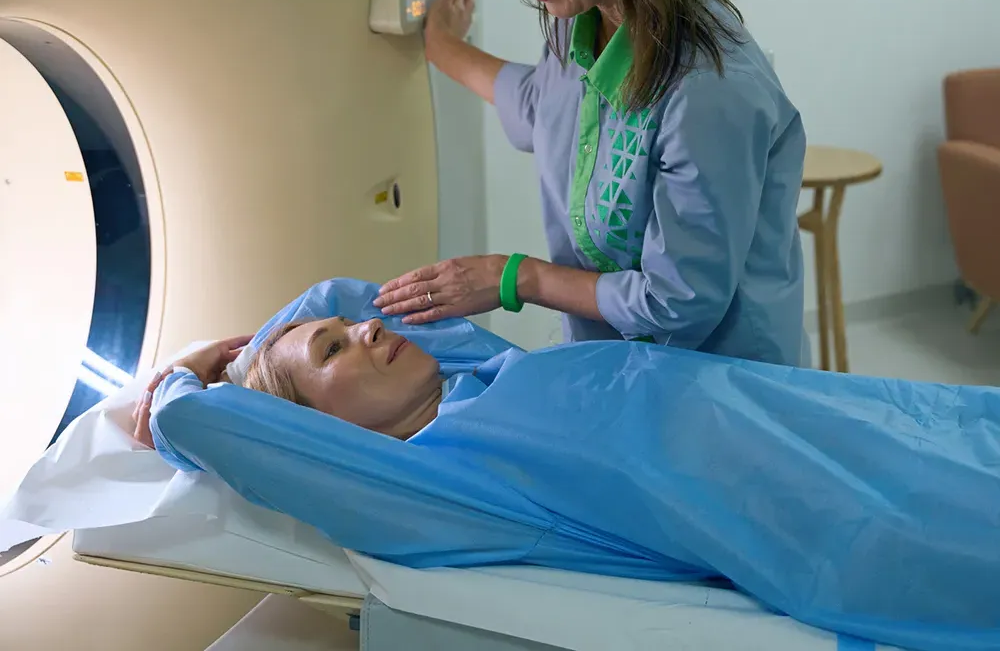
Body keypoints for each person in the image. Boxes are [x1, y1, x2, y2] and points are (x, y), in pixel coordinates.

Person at [131, 282, 1000, 651]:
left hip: (818, 420)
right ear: (315, 438)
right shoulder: (430, 485)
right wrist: (189, 375)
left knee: (959, 428)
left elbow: (337, 292)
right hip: (810, 506)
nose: (363, 325)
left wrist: (259, 348)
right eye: (332, 350)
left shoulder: (472, 367)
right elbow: (205, 421)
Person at [372, 0, 806, 366]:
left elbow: (676, 305)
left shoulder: (710, 90)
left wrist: (514, 278)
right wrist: (440, 44)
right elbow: (540, 108)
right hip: (617, 376)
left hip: (718, 394)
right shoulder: (585, 23)